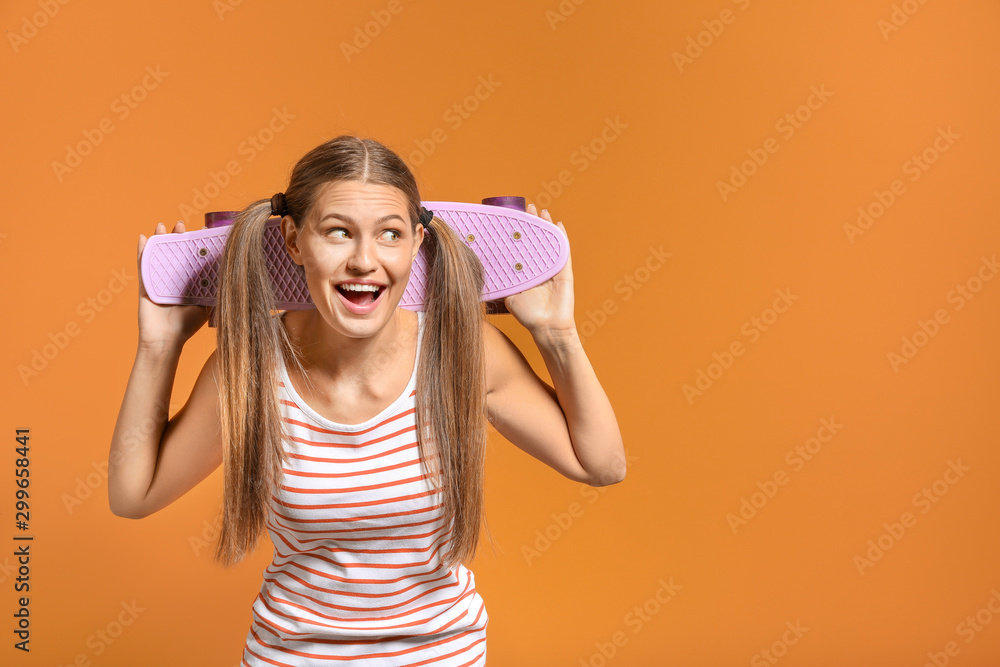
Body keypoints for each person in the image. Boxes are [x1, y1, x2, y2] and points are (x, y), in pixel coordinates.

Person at [108, 135, 626, 665]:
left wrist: (557, 333)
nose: (364, 260)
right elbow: (133, 495)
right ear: (292, 240)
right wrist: (159, 346)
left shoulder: (460, 353)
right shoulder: (252, 368)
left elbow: (602, 463)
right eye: (338, 232)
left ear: (417, 243)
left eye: (390, 235)